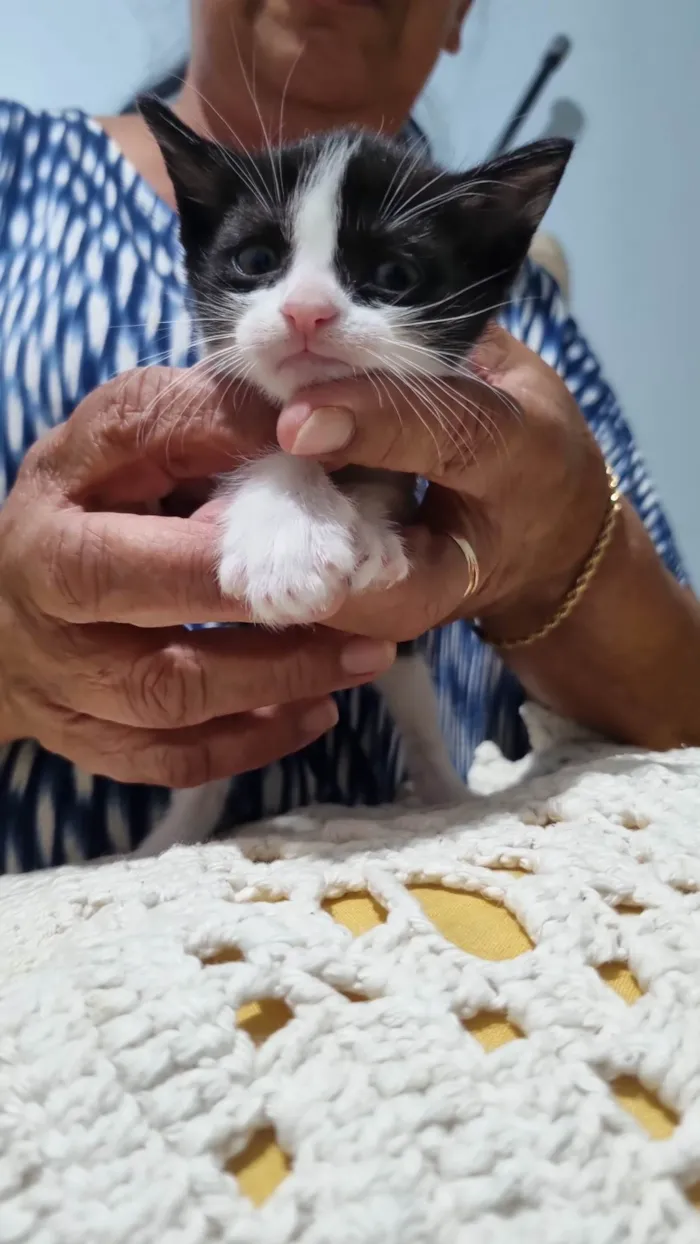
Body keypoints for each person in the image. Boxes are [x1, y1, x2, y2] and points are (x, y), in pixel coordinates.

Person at [0, 0, 698, 873]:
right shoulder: (17, 174)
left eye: (392, 275)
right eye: (259, 263)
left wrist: (568, 553)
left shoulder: (535, 338)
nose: (305, 307)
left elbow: (685, 716)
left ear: (459, 14)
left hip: (434, 900)